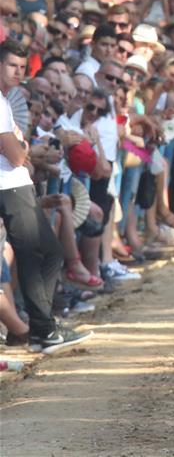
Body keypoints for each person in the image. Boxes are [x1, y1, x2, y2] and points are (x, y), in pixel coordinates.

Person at [0, 39, 92, 353]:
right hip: (9, 185)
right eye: (12, 65)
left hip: (14, 185)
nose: (17, 72)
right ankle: (44, 330)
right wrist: (23, 146)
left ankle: (43, 328)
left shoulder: (5, 99)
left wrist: (20, 146)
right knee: (43, 253)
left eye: (22, 67)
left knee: (42, 254)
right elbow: (15, 155)